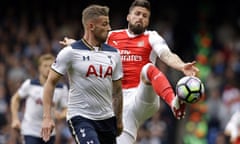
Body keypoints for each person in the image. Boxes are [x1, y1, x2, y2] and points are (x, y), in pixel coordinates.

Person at [61, 0, 199, 143]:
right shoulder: (111, 36)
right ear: (128, 17)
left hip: (141, 95)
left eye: (145, 16)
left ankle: (174, 103)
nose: (140, 17)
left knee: (148, 68)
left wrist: (182, 66)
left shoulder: (152, 37)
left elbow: (167, 55)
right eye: (137, 14)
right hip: (119, 102)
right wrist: (74, 44)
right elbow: (89, 45)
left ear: (148, 21)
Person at [41, 4, 123, 144]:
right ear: (91, 26)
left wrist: (119, 120)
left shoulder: (114, 54)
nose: (109, 28)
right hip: (80, 117)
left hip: (107, 119)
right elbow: (50, 83)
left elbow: (117, 91)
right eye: (104, 24)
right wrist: (47, 117)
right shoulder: (70, 52)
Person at [10, 53, 68, 144]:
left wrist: (60, 115)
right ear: (39, 68)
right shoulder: (30, 84)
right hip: (30, 130)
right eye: (45, 66)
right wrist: (15, 118)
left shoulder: (61, 88)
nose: (48, 68)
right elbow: (15, 99)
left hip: (50, 132)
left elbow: (67, 109)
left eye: (51, 66)